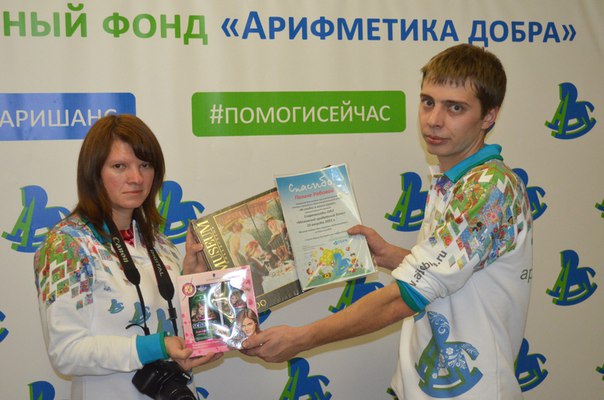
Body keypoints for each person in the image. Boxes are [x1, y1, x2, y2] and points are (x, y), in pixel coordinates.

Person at [242, 44, 533, 399]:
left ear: (489, 116)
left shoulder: (487, 189)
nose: (434, 119)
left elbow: (405, 297)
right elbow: (453, 274)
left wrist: (303, 337)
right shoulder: (453, 181)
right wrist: (391, 256)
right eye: (428, 102)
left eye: (455, 107)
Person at [34, 114, 222, 400]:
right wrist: (156, 347)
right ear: (94, 172)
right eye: (119, 166)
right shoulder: (66, 245)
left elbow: (174, 333)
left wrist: (191, 284)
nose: (136, 178)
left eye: (145, 165)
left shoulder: (159, 242)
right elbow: (67, 352)